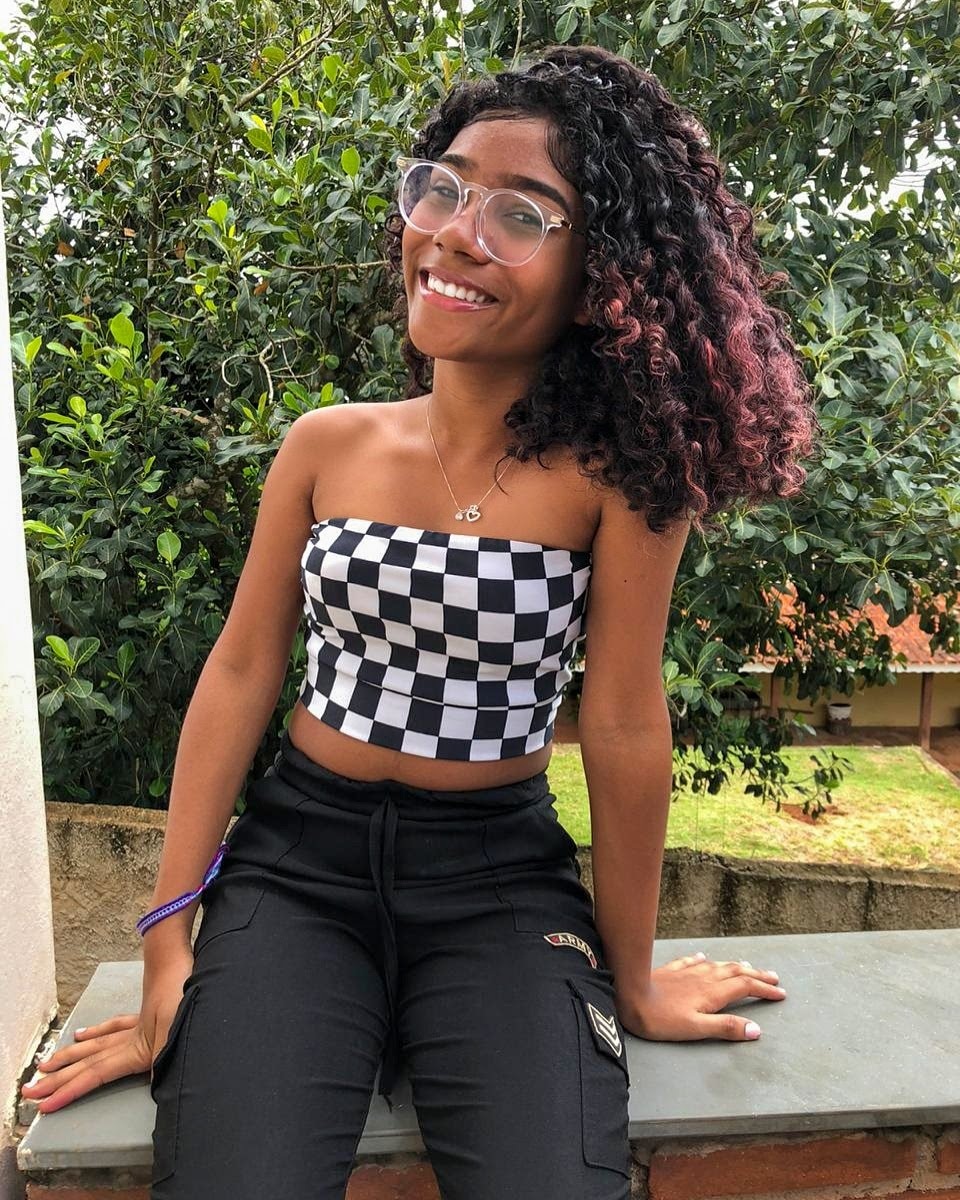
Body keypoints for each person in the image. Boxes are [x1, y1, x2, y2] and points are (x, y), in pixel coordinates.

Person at [21, 43, 815, 1199]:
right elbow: (242, 673)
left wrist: (634, 976)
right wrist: (168, 939)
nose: (453, 233)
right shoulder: (327, 446)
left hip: (500, 886)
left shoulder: (621, 481)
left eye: (521, 213)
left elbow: (624, 723)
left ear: (604, 271)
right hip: (296, 872)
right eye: (441, 188)